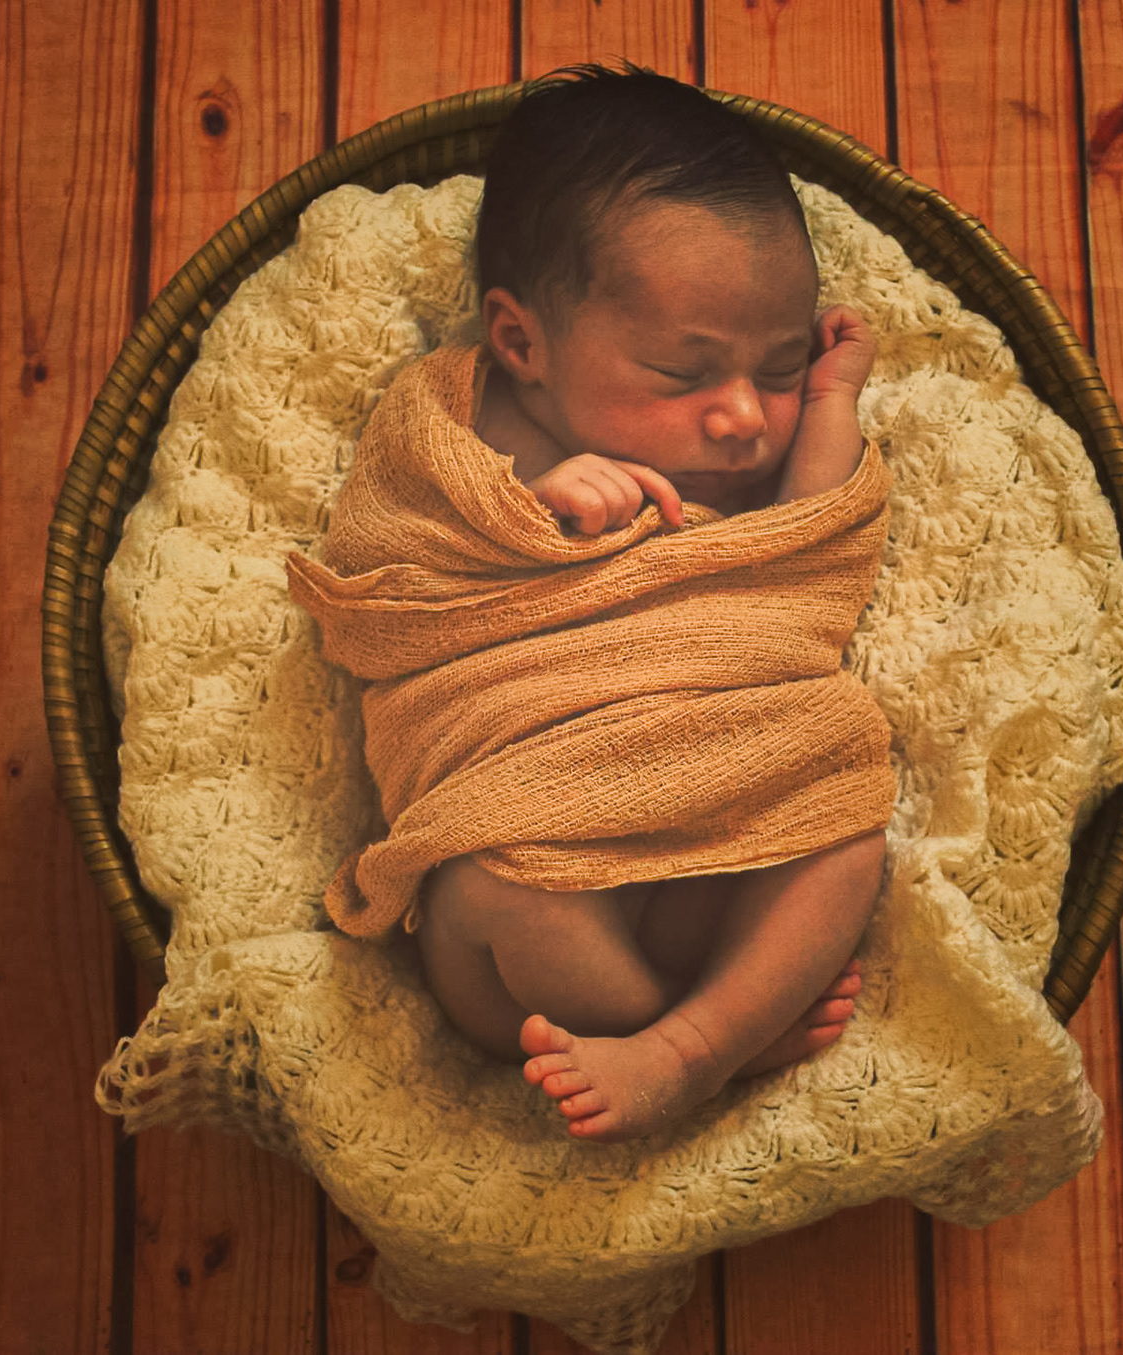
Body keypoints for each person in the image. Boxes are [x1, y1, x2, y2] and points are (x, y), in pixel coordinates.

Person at [305, 65, 892, 1143]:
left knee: (850, 821)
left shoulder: (750, 470)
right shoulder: (457, 424)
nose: (742, 421)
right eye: (683, 372)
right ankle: (708, 1039)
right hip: (529, 894)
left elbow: (809, 545)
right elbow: (385, 571)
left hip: (718, 838)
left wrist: (833, 398)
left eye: (775, 368)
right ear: (522, 343)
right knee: (493, 885)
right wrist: (521, 507)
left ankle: (690, 1047)